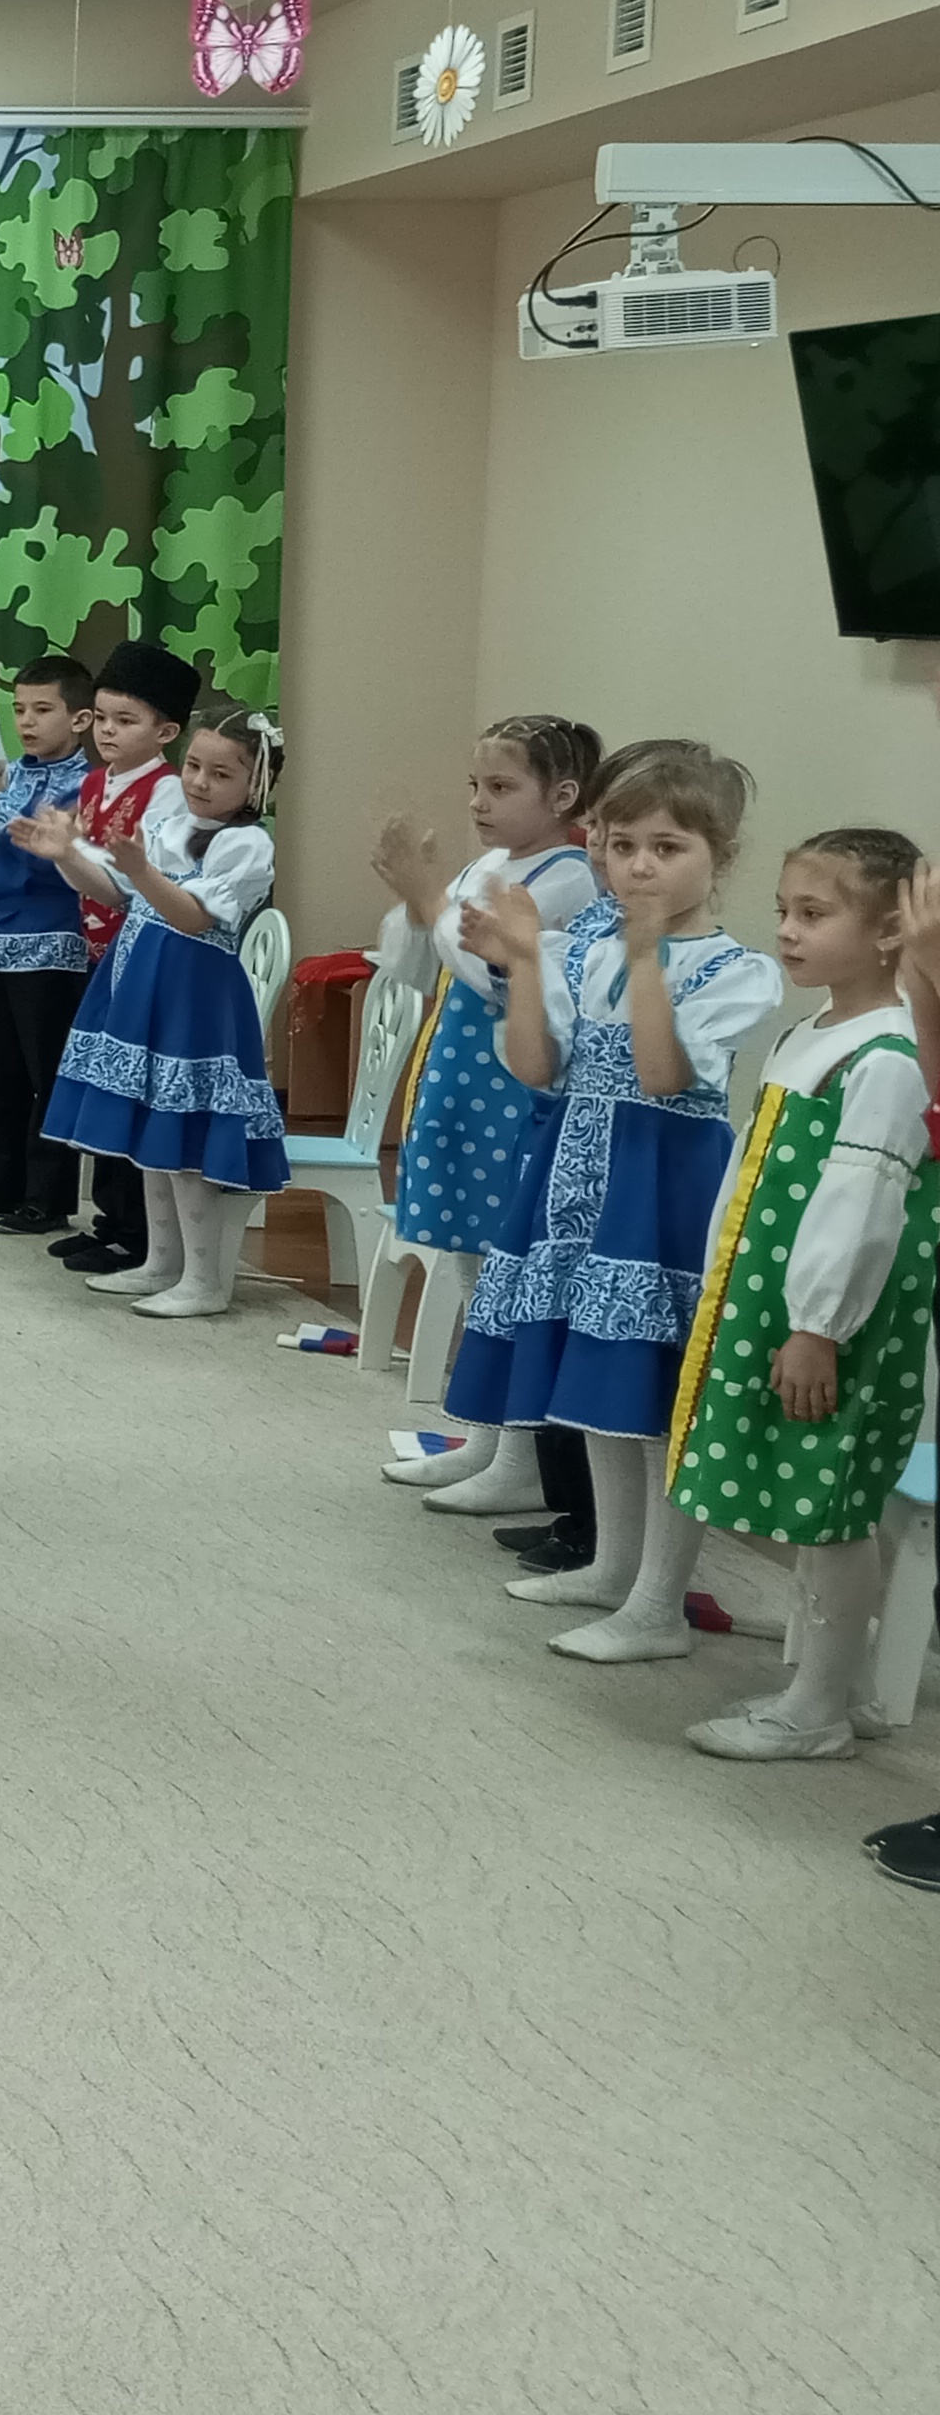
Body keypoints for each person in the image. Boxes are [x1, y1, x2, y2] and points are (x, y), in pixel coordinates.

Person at [540, 831, 939, 1760]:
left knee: (826, 1510)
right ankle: (836, 1686)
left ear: (890, 933)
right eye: (785, 911)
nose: (788, 932)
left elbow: (861, 1207)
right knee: (813, 1502)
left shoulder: (885, 1057)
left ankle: (817, 1710)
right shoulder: (813, 1034)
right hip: (772, 1304)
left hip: (828, 1324)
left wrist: (817, 1328)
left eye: (815, 914)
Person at [437, 742, 784, 1607]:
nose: (639, 866)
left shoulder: (738, 971)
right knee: (597, 1385)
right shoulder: (585, 953)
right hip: (574, 1184)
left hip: (659, 1191)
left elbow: (664, 1077)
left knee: (653, 1396)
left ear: (720, 857)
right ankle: (609, 1570)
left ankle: (657, 1601)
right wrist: (526, 963)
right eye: (623, 845)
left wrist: (644, 959)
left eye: (668, 848)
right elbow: (536, 1067)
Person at [370, 717, 602, 1498]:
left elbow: (492, 971)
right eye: (474, 785)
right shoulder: (488, 865)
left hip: (512, 1088)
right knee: (474, 1268)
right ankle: (484, 1437)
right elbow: (416, 965)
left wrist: (429, 896)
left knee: (510, 1272)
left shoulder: (567, 877)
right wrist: (416, 905)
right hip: (458, 1081)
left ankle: (521, 1460)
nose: (478, 803)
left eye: (501, 787)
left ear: (562, 795)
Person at [18, 703, 290, 1319]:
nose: (199, 781)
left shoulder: (246, 845)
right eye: (193, 766)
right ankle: (161, 1263)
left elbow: (191, 918)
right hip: (141, 987)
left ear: (258, 784)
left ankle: (204, 1280)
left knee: (185, 1141)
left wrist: (142, 869)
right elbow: (116, 892)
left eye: (221, 774)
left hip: (195, 1000)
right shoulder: (171, 826)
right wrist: (67, 854)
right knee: (153, 1135)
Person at [34, 641, 197, 1275]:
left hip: (145, 958)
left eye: (125, 720)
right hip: (100, 955)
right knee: (104, 1085)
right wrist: (65, 854)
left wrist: (72, 854)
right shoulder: (95, 782)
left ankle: (137, 1233)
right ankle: (110, 1220)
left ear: (166, 732)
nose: (106, 731)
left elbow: (132, 888)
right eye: (101, 717)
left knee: (131, 1089)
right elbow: (92, 880)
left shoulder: (168, 793)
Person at [0, 653, 97, 1232]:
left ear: (80, 719)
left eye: (42, 709)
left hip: (54, 937)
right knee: (3, 1068)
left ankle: (47, 1198)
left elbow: (43, 856)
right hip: (2, 934)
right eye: (19, 709)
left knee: (47, 1071)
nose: (27, 722)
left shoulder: (85, 785)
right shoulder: (14, 773)